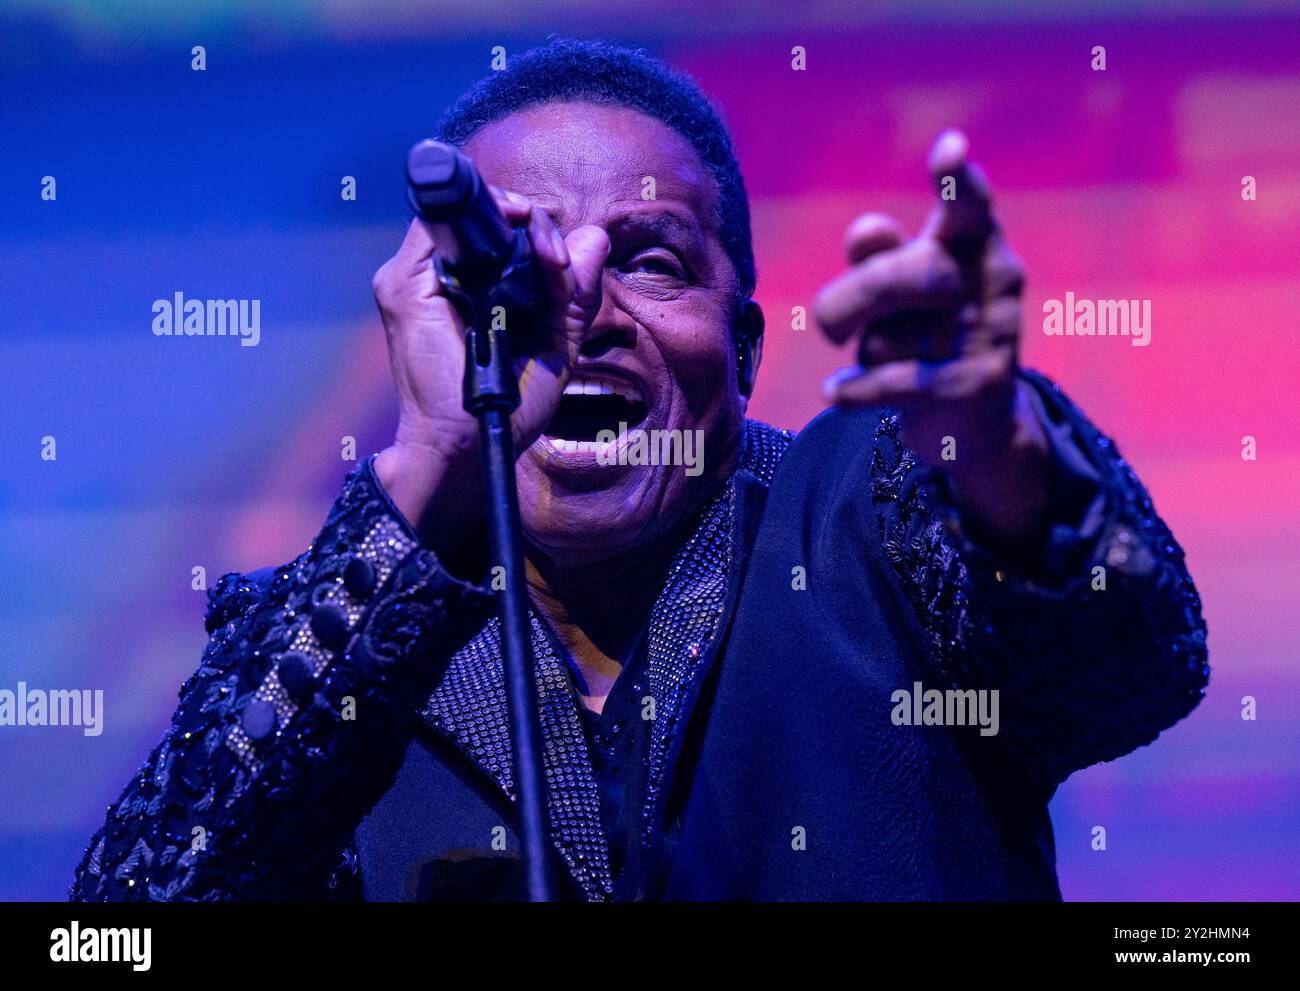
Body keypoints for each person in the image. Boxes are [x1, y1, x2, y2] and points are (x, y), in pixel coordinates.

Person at [72, 38, 1208, 902]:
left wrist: (990, 430)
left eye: (652, 262)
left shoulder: (879, 514)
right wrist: (433, 465)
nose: (579, 315)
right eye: (524, 268)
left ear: (747, 347)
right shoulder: (324, 634)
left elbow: (1130, 664)